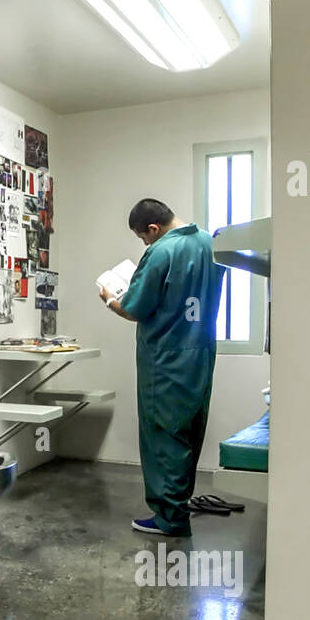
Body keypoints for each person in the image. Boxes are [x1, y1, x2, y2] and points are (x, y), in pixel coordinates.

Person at [99, 198, 225, 538]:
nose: (145, 243)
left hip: (165, 358)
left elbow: (135, 308)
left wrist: (111, 298)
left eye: (143, 237)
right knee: (188, 432)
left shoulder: (161, 252)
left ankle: (170, 518)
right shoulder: (208, 242)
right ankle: (178, 506)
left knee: (162, 437)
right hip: (200, 352)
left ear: (153, 229)